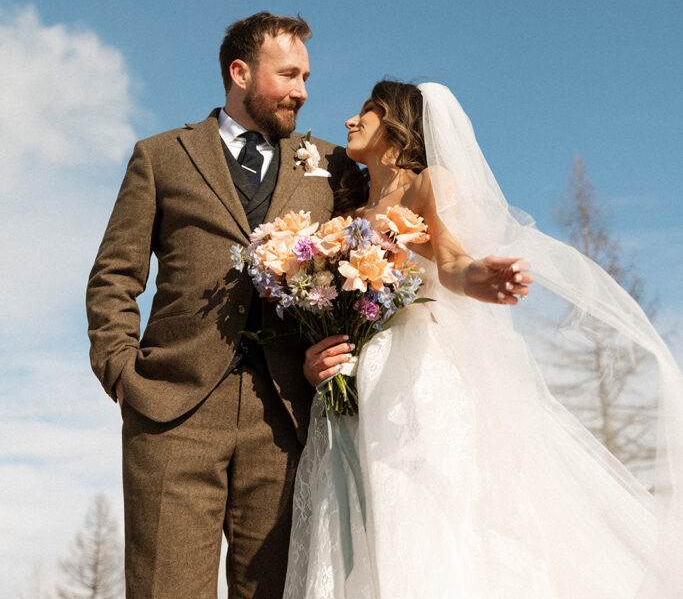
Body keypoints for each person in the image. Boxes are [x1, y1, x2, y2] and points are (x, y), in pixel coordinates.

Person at [284, 81, 683, 599]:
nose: (349, 122)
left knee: (422, 501)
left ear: (399, 125)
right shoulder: (350, 216)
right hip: (355, 380)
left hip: (413, 368)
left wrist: (480, 278)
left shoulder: (427, 184)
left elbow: (450, 260)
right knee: (359, 517)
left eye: (366, 111)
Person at [86, 12, 363, 599]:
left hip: (288, 417)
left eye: (307, 76)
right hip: (170, 411)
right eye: (288, 75)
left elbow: (371, 263)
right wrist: (123, 373)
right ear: (240, 72)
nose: (303, 91)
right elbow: (114, 276)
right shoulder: (160, 156)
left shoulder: (332, 164)